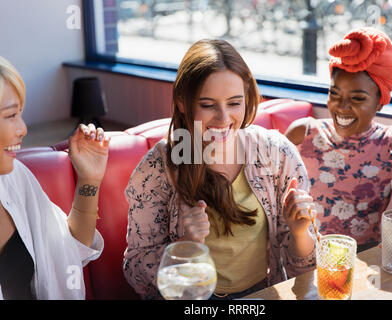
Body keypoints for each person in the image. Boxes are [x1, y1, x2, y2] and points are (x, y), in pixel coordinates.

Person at [123, 39, 317, 300]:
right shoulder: (158, 169)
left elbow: (304, 270)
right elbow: (134, 272)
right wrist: (184, 247)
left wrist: (300, 232)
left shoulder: (276, 152)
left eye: (235, 103)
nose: (224, 119)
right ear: (182, 102)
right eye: (208, 105)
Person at [285, 27, 392, 270]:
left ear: (380, 102)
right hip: (306, 263)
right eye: (334, 93)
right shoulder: (301, 135)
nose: (341, 107)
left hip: (367, 266)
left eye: (358, 98)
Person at [0, 56, 109, 299]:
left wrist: (89, 180)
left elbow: (69, 248)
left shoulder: (16, 179)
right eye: (10, 115)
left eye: (20, 113)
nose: (23, 129)